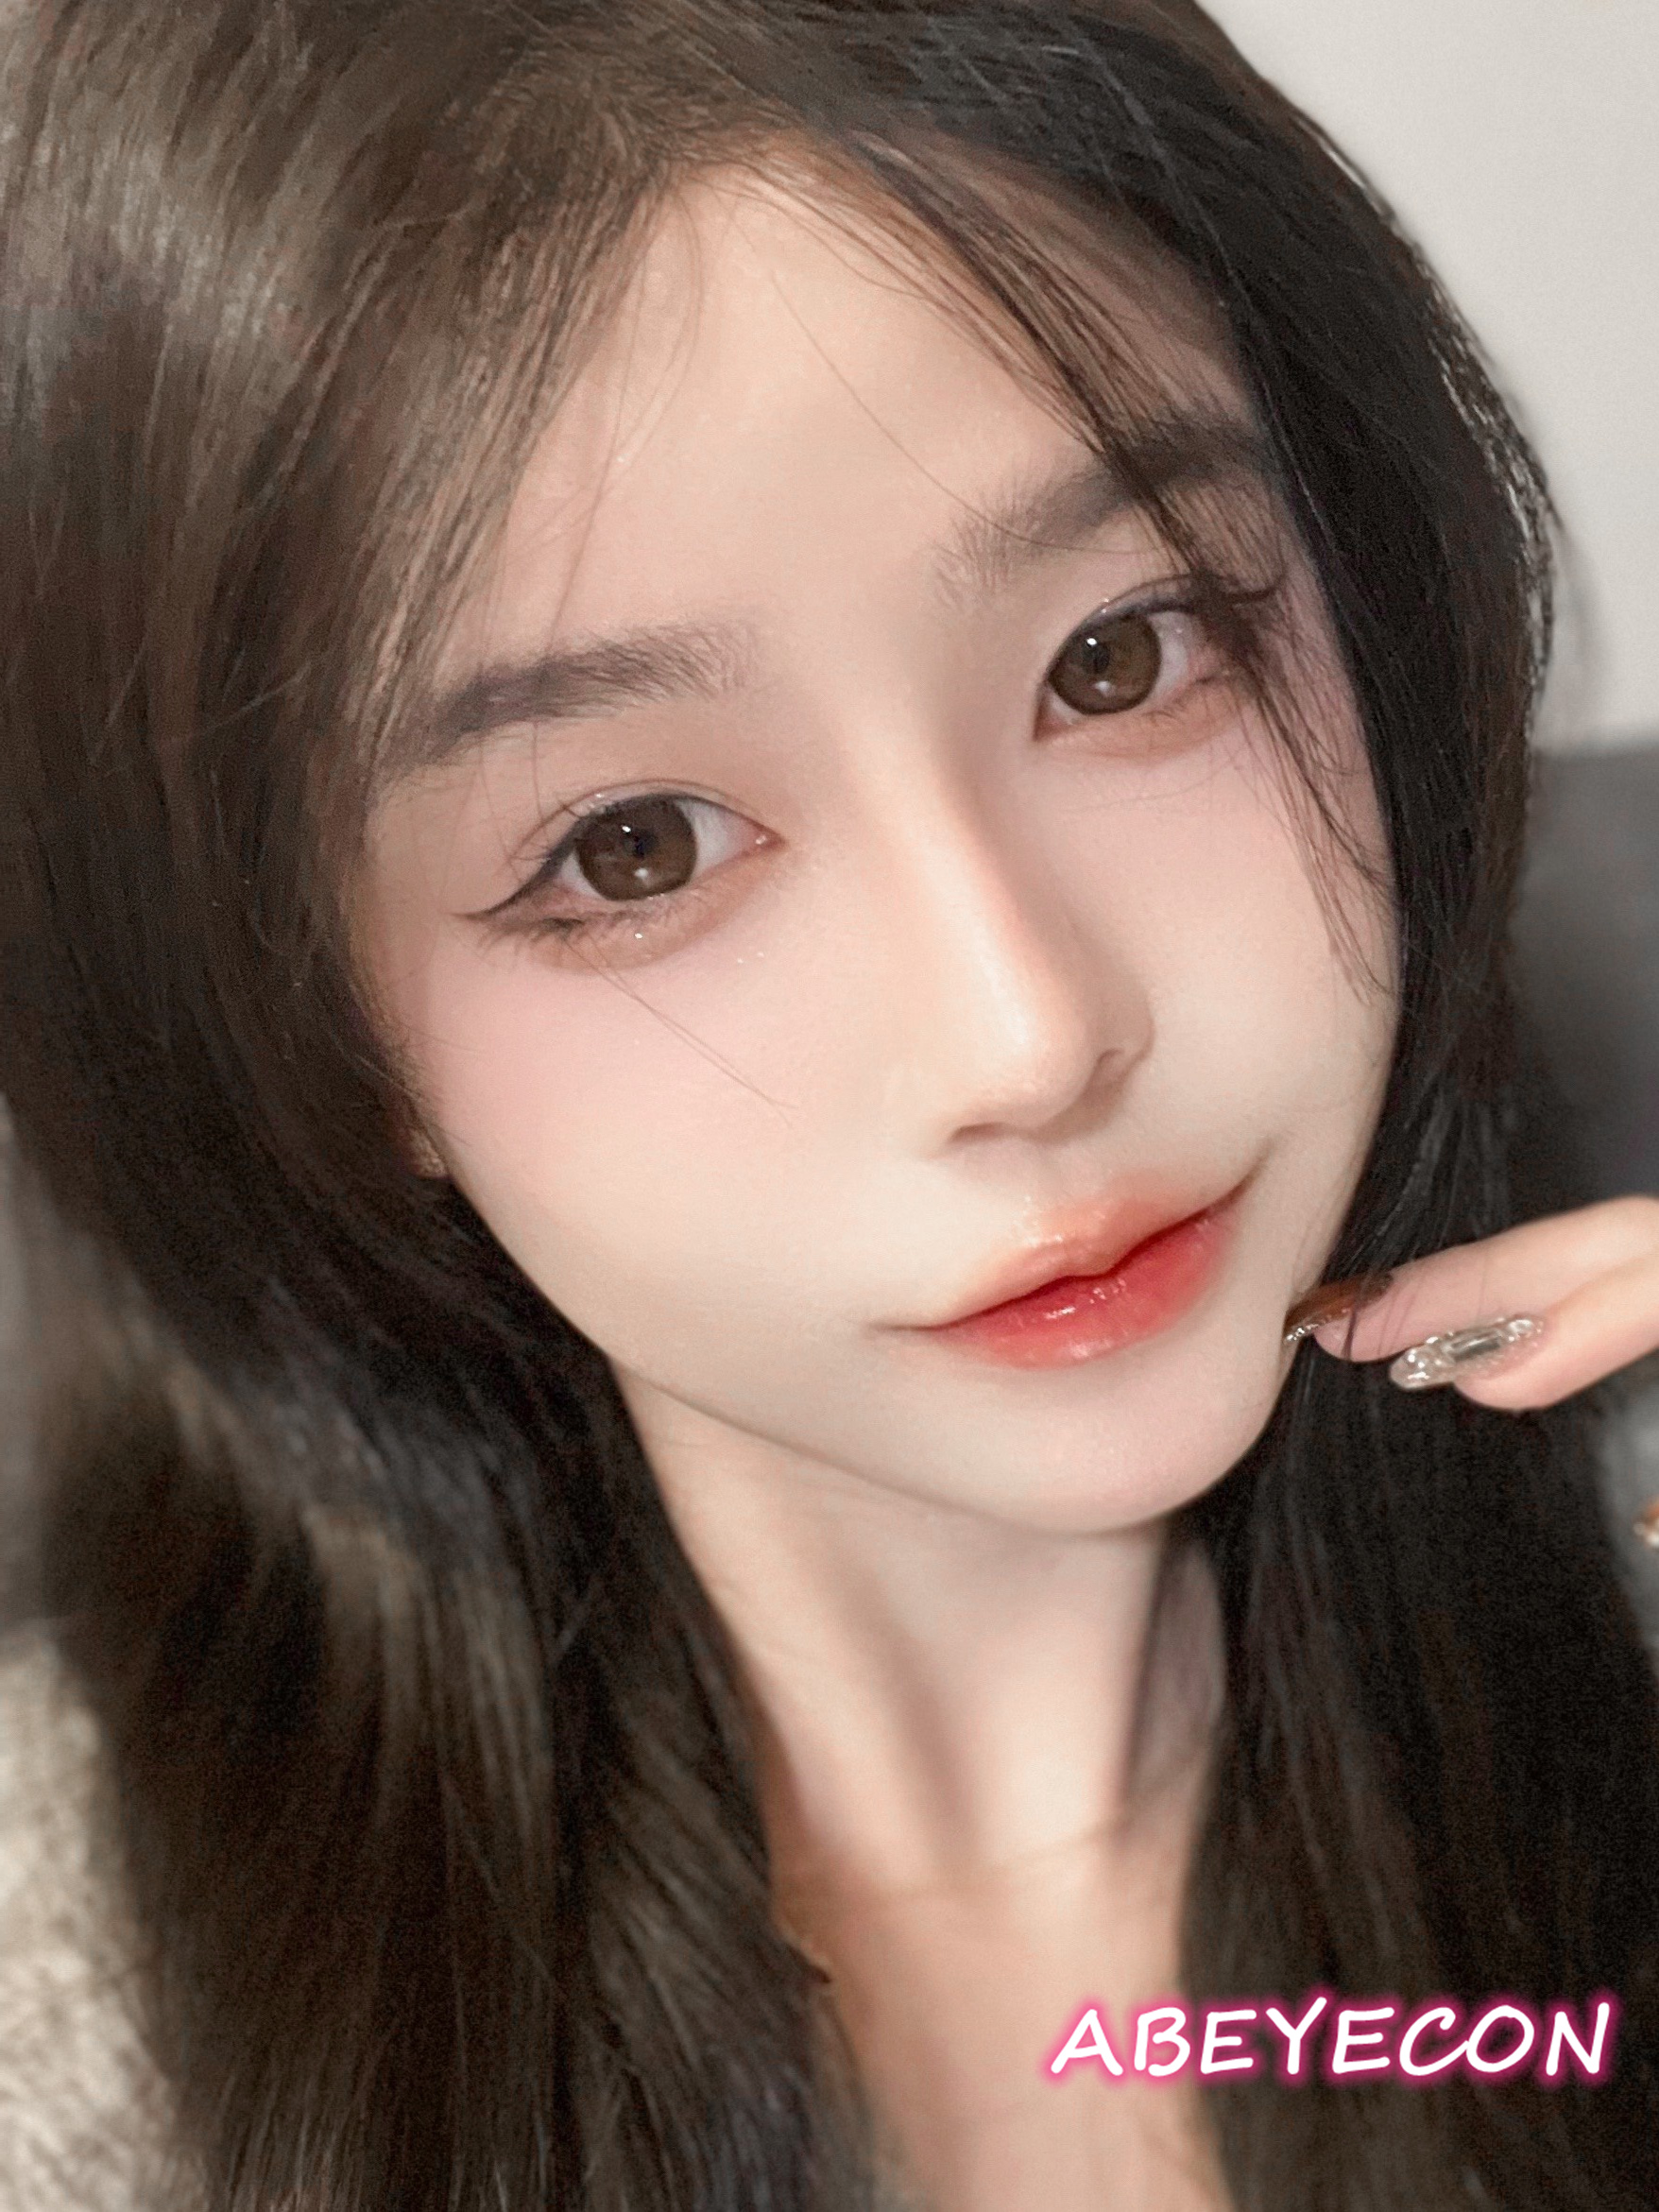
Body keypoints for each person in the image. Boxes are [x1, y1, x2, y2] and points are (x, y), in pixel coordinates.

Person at [1, 0, 1657, 2205]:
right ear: (306, 1020)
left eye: (1119, 653)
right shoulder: (67, 2037)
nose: (1023, 1035)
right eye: (632, 850)